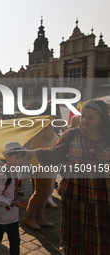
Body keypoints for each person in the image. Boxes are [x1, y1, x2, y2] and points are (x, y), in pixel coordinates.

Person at [27, 99, 110, 255]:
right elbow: (54, 153)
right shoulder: (72, 134)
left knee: (101, 227)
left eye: (90, 117)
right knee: (76, 227)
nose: (84, 120)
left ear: (102, 119)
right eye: (82, 116)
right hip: (76, 190)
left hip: (103, 191)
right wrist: (26, 153)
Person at [0, 142, 27, 255]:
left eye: (22, 157)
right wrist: (12, 202)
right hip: (1, 215)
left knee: (15, 241)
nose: (21, 160)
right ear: (7, 157)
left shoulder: (16, 171)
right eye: (17, 157)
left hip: (13, 215)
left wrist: (15, 203)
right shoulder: (3, 175)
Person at [23, 104, 58, 230]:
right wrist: (51, 120)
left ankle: (40, 217)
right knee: (40, 193)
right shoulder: (44, 124)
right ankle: (28, 217)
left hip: (47, 163)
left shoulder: (43, 124)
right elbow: (48, 137)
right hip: (42, 164)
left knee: (45, 192)